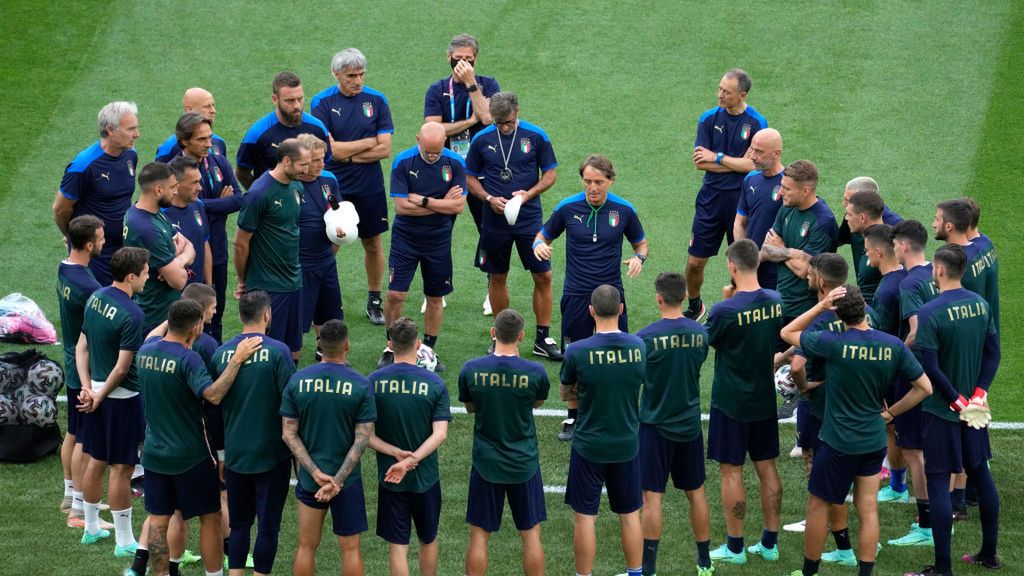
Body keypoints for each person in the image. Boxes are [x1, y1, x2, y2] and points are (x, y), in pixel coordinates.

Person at [781, 284, 931, 576]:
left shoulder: (833, 342)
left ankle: (809, 572)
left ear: (838, 313)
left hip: (838, 441)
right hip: (873, 439)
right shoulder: (893, 345)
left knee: (818, 506)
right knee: (868, 508)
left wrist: (820, 306)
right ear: (864, 308)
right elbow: (924, 388)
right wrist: (889, 414)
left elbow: (787, 333)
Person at [135, 300, 261, 576]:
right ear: (194, 328)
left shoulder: (145, 351)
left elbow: (157, 333)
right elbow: (213, 394)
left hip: (155, 454)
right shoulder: (188, 359)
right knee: (210, 517)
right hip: (191, 455)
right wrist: (237, 360)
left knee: (158, 521)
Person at [533, 154, 647, 440]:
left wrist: (638, 258)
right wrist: (538, 245)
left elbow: (640, 244)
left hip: (611, 294)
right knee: (574, 353)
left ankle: (621, 411)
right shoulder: (568, 207)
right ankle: (573, 416)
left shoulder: (624, 210)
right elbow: (543, 235)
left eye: (598, 182)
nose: (592, 188)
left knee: (619, 353)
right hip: (576, 292)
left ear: (610, 180)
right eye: (587, 181)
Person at [905, 244, 1001, 575]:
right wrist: (978, 394)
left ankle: (943, 568)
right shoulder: (981, 304)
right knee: (980, 473)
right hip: (973, 411)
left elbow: (930, 365)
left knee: (937, 481)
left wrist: (955, 399)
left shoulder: (931, 311)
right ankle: (989, 553)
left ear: (940, 271)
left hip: (943, 411)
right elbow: (994, 352)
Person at [704, 239, 784, 565]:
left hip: (731, 402)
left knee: (731, 473)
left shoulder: (725, 310)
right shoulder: (777, 300)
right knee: (767, 467)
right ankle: (770, 542)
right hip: (764, 399)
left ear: (732, 266)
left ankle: (735, 547)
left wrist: (724, 301)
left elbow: (708, 341)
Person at [466, 92, 561, 360]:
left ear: (517, 111)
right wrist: (487, 197)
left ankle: (542, 338)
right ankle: (501, 337)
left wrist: (527, 195)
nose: (504, 127)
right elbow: (469, 176)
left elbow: (550, 174)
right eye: (499, 123)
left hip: (529, 217)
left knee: (544, 275)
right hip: (494, 219)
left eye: (508, 122)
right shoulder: (482, 138)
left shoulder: (536, 136)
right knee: (497, 276)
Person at [560, 285, 646, 576]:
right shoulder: (638, 346)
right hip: (626, 443)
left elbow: (566, 394)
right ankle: (636, 572)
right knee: (630, 514)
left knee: (585, 518)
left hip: (589, 444)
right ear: (621, 310)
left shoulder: (577, 351)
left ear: (591, 311)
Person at [782, 253, 861, 563]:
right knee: (860, 488)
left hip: (821, 406)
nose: (807, 275)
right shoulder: (861, 313)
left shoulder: (820, 317)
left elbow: (800, 364)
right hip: (858, 409)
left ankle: (822, 524)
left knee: (819, 473)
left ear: (822, 282)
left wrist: (801, 387)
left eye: (811, 272)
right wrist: (781, 357)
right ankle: (860, 547)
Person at [281, 319, 376, 576]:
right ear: (347, 346)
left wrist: (314, 473)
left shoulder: (297, 381)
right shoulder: (361, 384)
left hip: (312, 480)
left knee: (306, 545)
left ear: (320, 345)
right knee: (351, 548)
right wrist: (337, 480)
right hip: (347, 480)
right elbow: (362, 439)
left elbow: (289, 434)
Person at [458, 309, 550, 576]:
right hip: (524, 462)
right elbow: (537, 402)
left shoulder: (472, 369)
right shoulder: (535, 372)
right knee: (531, 534)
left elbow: (470, 407)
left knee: (479, 535)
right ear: (521, 336)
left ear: (493, 333)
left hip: (486, 463)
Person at [212, 290, 296, 576]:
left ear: (240, 316)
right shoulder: (279, 352)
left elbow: (213, 408)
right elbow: (290, 406)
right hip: (272, 456)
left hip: (235, 456)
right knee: (268, 526)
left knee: (239, 525)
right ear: (267, 315)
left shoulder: (221, 354)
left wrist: (221, 454)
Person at [634, 272, 712, 576]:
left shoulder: (645, 338)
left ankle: (648, 567)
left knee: (652, 497)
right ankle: (704, 561)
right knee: (696, 492)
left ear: (658, 298)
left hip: (654, 426)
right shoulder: (700, 334)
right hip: (689, 425)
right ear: (684, 297)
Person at [311, 48, 394, 325]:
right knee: (331, 240)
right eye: (351, 76)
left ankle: (374, 300)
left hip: (369, 184)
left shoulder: (377, 100)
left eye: (361, 74)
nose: (357, 81)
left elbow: (385, 149)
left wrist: (346, 153)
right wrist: (367, 142)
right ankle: (321, 297)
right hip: (334, 185)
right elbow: (328, 149)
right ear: (336, 74)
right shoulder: (322, 102)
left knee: (372, 241)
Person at [75, 247, 149, 556]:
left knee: (96, 459)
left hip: (93, 392)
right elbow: (121, 368)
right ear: (131, 276)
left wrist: (87, 390)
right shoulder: (133, 313)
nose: (148, 277)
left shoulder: (96, 297)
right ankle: (123, 541)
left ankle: (91, 529)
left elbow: (82, 347)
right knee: (122, 467)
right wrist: (100, 395)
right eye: (145, 273)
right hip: (120, 399)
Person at [424, 33, 501, 315]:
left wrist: (471, 85)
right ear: (449, 58)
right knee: (439, 230)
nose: (463, 65)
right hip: (445, 168)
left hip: (482, 169)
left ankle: (492, 291)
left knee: (489, 230)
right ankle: (435, 289)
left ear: (475, 60)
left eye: (469, 61)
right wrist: (469, 121)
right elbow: (434, 130)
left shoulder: (488, 84)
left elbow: (490, 118)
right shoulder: (437, 90)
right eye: (458, 60)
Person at [367, 317, 451, 576]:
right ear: (418, 344)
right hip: (425, 477)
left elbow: (366, 436)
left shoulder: (372, 381)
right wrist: (411, 460)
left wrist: (397, 457)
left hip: (390, 476)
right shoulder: (435, 383)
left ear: (390, 345)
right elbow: (440, 435)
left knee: (398, 546)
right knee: (428, 539)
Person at [379, 122, 467, 369]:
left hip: (439, 240)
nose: (431, 156)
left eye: (436, 152)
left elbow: (458, 207)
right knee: (396, 294)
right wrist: (441, 204)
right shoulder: (403, 162)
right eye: (427, 151)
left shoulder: (456, 163)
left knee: (435, 296)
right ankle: (391, 347)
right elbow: (401, 207)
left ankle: (428, 349)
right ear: (418, 139)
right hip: (405, 239)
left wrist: (425, 200)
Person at [685, 69, 767, 321]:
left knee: (740, 261)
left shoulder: (756, 123)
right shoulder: (708, 119)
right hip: (710, 198)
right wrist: (735, 162)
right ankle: (695, 304)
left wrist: (717, 157)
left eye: (726, 92)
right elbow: (700, 162)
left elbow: (753, 165)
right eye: (719, 88)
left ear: (742, 95)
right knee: (695, 262)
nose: (720, 94)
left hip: (742, 201)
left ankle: (738, 307)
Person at [760, 160, 837, 420]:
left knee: (803, 368)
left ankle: (806, 435)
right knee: (771, 361)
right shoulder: (786, 208)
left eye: (787, 189)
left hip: (807, 308)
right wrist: (791, 254)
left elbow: (809, 271)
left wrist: (781, 251)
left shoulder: (823, 221)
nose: (781, 193)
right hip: (783, 303)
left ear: (806, 190)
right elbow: (767, 248)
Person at [885, 219, 939, 547]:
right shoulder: (938, 270)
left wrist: (895, 357)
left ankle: (927, 526)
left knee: (914, 450)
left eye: (894, 246)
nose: (893, 251)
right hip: (942, 369)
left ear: (903, 246)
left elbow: (916, 332)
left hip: (918, 371)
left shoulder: (908, 283)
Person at [234, 138, 311, 363]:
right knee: (266, 352)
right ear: (286, 160)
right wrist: (242, 280)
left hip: (294, 281)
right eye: (302, 165)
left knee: (293, 349)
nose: (306, 171)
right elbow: (240, 242)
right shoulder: (259, 193)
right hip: (267, 285)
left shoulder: (297, 186)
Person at [171, 111, 244, 342]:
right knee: (185, 312)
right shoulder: (174, 170)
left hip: (217, 248)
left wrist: (202, 204)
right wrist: (219, 203)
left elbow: (239, 199)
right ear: (184, 140)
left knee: (215, 310)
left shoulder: (218, 162)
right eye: (201, 139)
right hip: (187, 258)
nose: (209, 143)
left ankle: (215, 348)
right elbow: (177, 204)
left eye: (209, 137)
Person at [54, 101, 140, 285]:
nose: (137, 135)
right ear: (110, 130)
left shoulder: (131, 155)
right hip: (96, 255)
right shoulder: (83, 166)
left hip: (124, 247)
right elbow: (61, 209)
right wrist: (73, 238)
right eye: (131, 129)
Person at [57, 215, 107, 529]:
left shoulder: (65, 267)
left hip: (70, 360)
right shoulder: (89, 287)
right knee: (85, 441)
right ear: (89, 245)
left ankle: (69, 495)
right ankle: (77, 510)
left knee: (74, 432)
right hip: (84, 368)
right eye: (101, 238)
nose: (105, 242)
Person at [863, 224, 913, 512]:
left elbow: (880, 337)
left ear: (879, 252)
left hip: (894, 371)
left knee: (892, 427)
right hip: (908, 365)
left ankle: (897, 487)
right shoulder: (906, 278)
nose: (866, 255)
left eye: (868, 251)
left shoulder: (886, 291)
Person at [123, 162, 194, 333]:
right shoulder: (147, 229)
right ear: (158, 190)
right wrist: (179, 263)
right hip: (155, 316)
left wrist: (176, 262)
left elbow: (189, 246)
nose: (176, 191)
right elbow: (179, 281)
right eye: (173, 187)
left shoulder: (148, 213)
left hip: (157, 311)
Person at [294, 133, 344, 362]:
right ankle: (288, 359)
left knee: (330, 312)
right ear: (300, 161)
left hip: (325, 260)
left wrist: (337, 239)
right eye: (315, 160)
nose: (321, 164)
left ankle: (326, 352)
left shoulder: (329, 180)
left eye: (322, 158)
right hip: (298, 265)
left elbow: (338, 213)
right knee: (296, 319)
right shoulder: (289, 186)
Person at [236, 71, 330, 188]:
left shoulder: (318, 127)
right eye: (290, 101)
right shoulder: (257, 134)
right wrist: (263, 197)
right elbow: (242, 173)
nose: (297, 106)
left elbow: (327, 162)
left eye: (300, 99)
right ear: (275, 99)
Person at [835, 177, 902, 302]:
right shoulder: (852, 219)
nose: (844, 204)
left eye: (848, 200)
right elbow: (840, 239)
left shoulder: (897, 230)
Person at [733, 127, 785, 290]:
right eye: (752, 150)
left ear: (776, 153)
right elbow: (740, 222)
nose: (753, 157)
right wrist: (743, 257)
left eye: (759, 152)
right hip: (751, 269)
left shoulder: (789, 184)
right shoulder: (750, 178)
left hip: (778, 270)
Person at [165, 155, 212, 286]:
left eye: (199, 181)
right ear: (176, 184)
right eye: (194, 183)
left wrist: (208, 286)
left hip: (197, 291)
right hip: (172, 294)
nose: (200, 188)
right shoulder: (161, 215)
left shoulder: (198, 205)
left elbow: (204, 244)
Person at [156, 88, 229, 162]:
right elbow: (158, 172)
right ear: (189, 109)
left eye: (213, 105)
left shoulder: (219, 142)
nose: (213, 111)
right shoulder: (170, 147)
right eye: (207, 106)